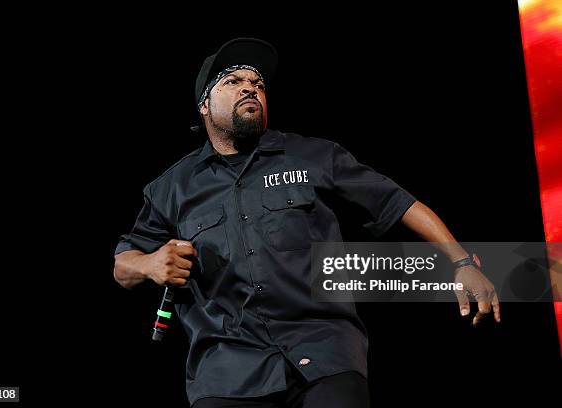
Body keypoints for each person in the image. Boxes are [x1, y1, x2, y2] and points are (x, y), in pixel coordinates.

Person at [113, 38, 500, 408]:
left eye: (258, 83)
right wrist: (149, 264)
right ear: (203, 105)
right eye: (233, 81)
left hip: (324, 350)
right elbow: (123, 265)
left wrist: (461, 262)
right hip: (227, 369)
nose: (250, 88)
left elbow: (397, 203)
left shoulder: (312, 155)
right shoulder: (171, 187)